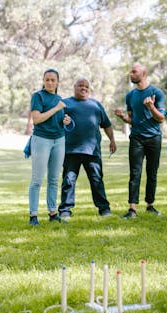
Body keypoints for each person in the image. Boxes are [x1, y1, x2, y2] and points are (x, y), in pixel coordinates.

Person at [114, 63, 167, 219]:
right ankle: (132, 208)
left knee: (152, 172)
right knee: (135, 173)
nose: (130, 74)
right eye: (131, 71)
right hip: (137, 137)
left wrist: (151, 107)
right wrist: (123, 117)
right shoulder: (130, 96)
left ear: (143, 74)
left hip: (154, 138)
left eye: (134, 71)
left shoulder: (156, 93)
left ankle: (150, 205)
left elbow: (161, 118)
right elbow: (132, 120)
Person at [58, 78, 116, 220]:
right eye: (80, 86)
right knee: (69, 180)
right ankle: (65, 210)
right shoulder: (65, 104)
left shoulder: (96, 105)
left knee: (97, 180)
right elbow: (56, 123)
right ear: (74, 87)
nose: (83, 88)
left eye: (86, 86)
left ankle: (104, 209)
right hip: (71, 150)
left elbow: (106, 124)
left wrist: (112, 140)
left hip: (92, 150)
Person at [28, 68, 71, 226]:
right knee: (37, 180)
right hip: (41, 140)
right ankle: (33, 215)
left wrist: (66, 120)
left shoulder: (59, 99)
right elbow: (37, 119)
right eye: (47, 80)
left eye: (53, 80)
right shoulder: (38, 96)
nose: (50, 82)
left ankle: (53, 213)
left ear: (58, 82)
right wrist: (57, 109)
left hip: (59, 140)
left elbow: (57, 120)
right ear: (43, 81)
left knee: (54, 179)